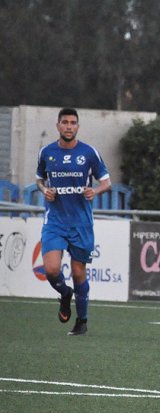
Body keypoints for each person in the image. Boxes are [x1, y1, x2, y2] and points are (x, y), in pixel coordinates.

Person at [36, 107, 112, 336]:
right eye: (65, 122)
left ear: (77, 127)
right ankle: (64, 293)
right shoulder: (46, 153)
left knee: (79, 273)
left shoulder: (89, 153)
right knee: (51, 269)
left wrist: (95, 191)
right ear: (58, 126)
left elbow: (106, 182)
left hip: (81, 223)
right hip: (55, 221)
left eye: (73, 123)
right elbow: (40, 180)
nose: (69, 126)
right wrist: (44, 190)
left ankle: (82, 321)